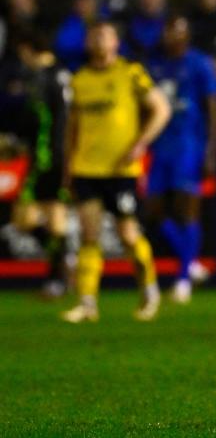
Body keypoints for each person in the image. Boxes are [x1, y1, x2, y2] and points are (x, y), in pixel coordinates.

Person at [60, 21, 170, 323]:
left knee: (129, 236)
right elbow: (73, 128)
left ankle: (149, 289)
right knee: (89, 235)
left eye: (105, 35)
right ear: (86, 42)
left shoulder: (130, 73)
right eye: (93, 35)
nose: (98, 40)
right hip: (86, 168)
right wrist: (68, 166)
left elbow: (161, 109)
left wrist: (140, 144)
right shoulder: (79, 80)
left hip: (122, 170)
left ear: (115, 42)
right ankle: (87, 303)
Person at [146, 15, 216, 303]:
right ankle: (191, 264)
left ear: (187, 34)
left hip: (188, 146)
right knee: (153, 210)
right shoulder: (155, 64)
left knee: (186, 208)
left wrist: (211, 151)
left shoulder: (199, 63)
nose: (171, 36)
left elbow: (213, 108)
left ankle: (182, 279)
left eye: (177, 31)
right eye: (168, 30)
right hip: (159, 145)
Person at [3, 31, 70, 297]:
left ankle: (59, 273)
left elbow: (47, 121)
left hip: (47, 158)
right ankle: (60, 274)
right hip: (55, 156)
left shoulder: (44, 78)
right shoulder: (61, 75)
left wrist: (18, 141)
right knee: (54, 220)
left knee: (24, 219)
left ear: (28, 50)